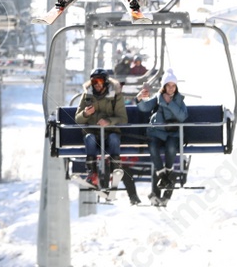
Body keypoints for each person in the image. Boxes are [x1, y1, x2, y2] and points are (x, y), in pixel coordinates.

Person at [138, 70, 188, 206]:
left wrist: (168, 103)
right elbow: (144, 108)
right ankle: (163, 177)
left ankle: (165, 176)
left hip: (173, 133)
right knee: (153, 147)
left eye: (173, 86)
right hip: (157, 132)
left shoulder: (179, 100)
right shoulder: (158, 98)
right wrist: (141, 98)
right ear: (164, 87)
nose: (171, 88)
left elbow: (182, 116)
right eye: (168, 85)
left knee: (171, 147)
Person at [76, 67, 128, 189]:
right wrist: (85, 114)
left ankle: (116, 169)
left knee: (114, 138)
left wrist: (109, 122)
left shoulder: (116, 96)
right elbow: (77, 119)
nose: (97, 85)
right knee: (89, 138)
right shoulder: (87, 96)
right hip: (93, 132)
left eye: (99, 81)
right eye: (94, 82)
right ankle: (92, 172)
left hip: (110, 131)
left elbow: (123, 118)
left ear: (105, 82)